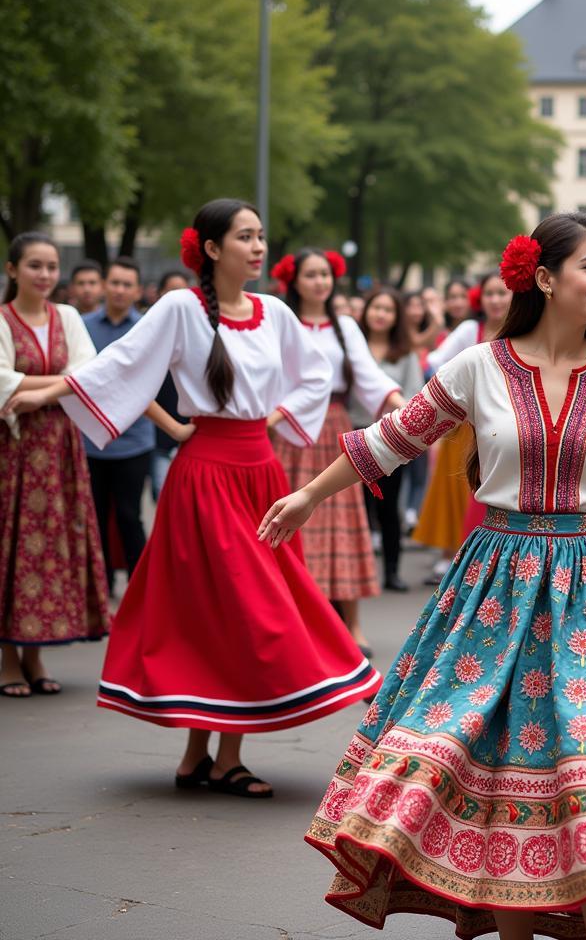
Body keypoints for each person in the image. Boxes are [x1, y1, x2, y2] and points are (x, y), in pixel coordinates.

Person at [260, 212, 586, 940]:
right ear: (546, 276)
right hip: (493, 586)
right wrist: (309, 494)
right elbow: (390, 442)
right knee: (497, 771)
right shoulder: (478, 366)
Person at [6, 200, 380, 794]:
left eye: (261, 236)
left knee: (246, 606)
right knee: (228, 607)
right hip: (204, 474)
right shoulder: (181, 308)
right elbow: (121, 365)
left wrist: (275, 416)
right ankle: (215, 757)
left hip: (258, 469)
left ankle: (204, 757)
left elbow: (315, 375)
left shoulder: (275, 312)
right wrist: (44, 391)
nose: (259, 247)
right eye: (245, 237)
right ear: (211, 248)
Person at [270, 248, 402, 656]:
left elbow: (369, 377)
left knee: (345, 527)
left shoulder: (344, 325)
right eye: (310, 275)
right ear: (294, 280)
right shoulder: (281, 322)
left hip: (334, 428)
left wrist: (410, 407)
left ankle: (353, 626)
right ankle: (295, 623)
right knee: (292, 523)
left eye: (325, 275)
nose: (319, 282)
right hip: (288, 432)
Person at [0, 233, 109, 698]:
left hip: (61, 448)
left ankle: (35, 654)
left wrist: (37, 388)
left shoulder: (66, 317)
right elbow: (4, 384)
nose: (45, 275)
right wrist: (62, 383)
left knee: (52, 547)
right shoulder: (2, 320)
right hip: (11, 450)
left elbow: (92, 373)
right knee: (12, 546)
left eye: (50, 267)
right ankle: (9, 656)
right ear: (12, 271)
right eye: (34, 266)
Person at [412, 271, 511, 584]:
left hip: (508, 426)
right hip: (468, 424)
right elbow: (435, 363)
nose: (495, 300)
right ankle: (451, 554)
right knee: (456, 489)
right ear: (479, 299)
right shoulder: (472, 329)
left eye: (502, 293)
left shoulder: (523, 331)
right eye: (490, 294)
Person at [82, 259, 156, 590]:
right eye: (114, 283)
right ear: (103, 285)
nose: (120, 290)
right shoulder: (82, 325)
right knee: (92, 516)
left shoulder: (148, 327)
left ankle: (141, 586)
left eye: (128, 285)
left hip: (134, 440)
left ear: (138, 291)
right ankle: (100, 585)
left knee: (129, 515)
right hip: (89, 440)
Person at [353, 285, 424, 592]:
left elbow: (413, 396)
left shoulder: (406, 354)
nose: (381, 315)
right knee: (356, 509)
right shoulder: (353, 347)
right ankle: (355, 571)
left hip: (390, 439)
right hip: (352, 433)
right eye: (376, 308)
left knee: (388, 507)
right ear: (366, 312)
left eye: (388, 310)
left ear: (396, 317)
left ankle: (391, 571)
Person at [151, 270, 193, 499]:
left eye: (183, 292)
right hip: (161, 436)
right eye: (171, 291)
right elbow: (136, 388)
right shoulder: (152, 332)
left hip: (196, 437)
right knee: (163, 497)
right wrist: (174, 428)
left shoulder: (202, 331)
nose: (177, 298)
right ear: (159, 295)